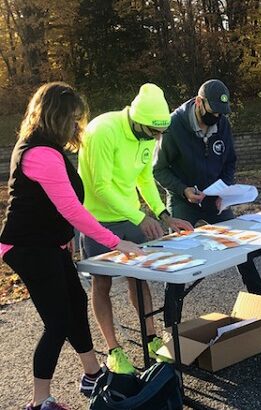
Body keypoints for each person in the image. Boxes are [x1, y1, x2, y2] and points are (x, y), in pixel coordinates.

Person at [0, 82, 143, 409]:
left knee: (76, 303)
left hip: (48, 245)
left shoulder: (42, 147)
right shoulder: (40, 154)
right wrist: (117, 241)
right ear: (57, 117)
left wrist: (66, 244)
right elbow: (71, 210)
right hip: (29, 249)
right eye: (74, 119)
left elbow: (53, 210)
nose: (77, 126)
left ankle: (93, 374)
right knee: (58, 321)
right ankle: (40, 402)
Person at [78, 83, 194, 375]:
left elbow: (144, 178)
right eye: (153, 132)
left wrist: (163, 215)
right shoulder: (102, 130)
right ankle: (114, 350)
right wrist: (140, 218)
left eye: (160, 133)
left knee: (139, 277)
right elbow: (101, 187)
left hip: (130, 215)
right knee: (101, 283)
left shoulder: (147, 133)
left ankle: (151, 337)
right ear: (137, 121)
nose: (157, 138)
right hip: (97, 218)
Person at [153, 79, 261, 311]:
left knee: (240, 244)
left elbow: (230, 162)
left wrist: (224, 189)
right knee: (179, 252)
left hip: (214, 197)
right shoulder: (174, 126)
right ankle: (171, 313)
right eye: (212, 112)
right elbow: (159, 169)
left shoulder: (222, 123)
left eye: (220, 113)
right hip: (183, 198)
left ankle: (259, 294)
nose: (216, 118)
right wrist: (183, 189)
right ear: (199, 102)